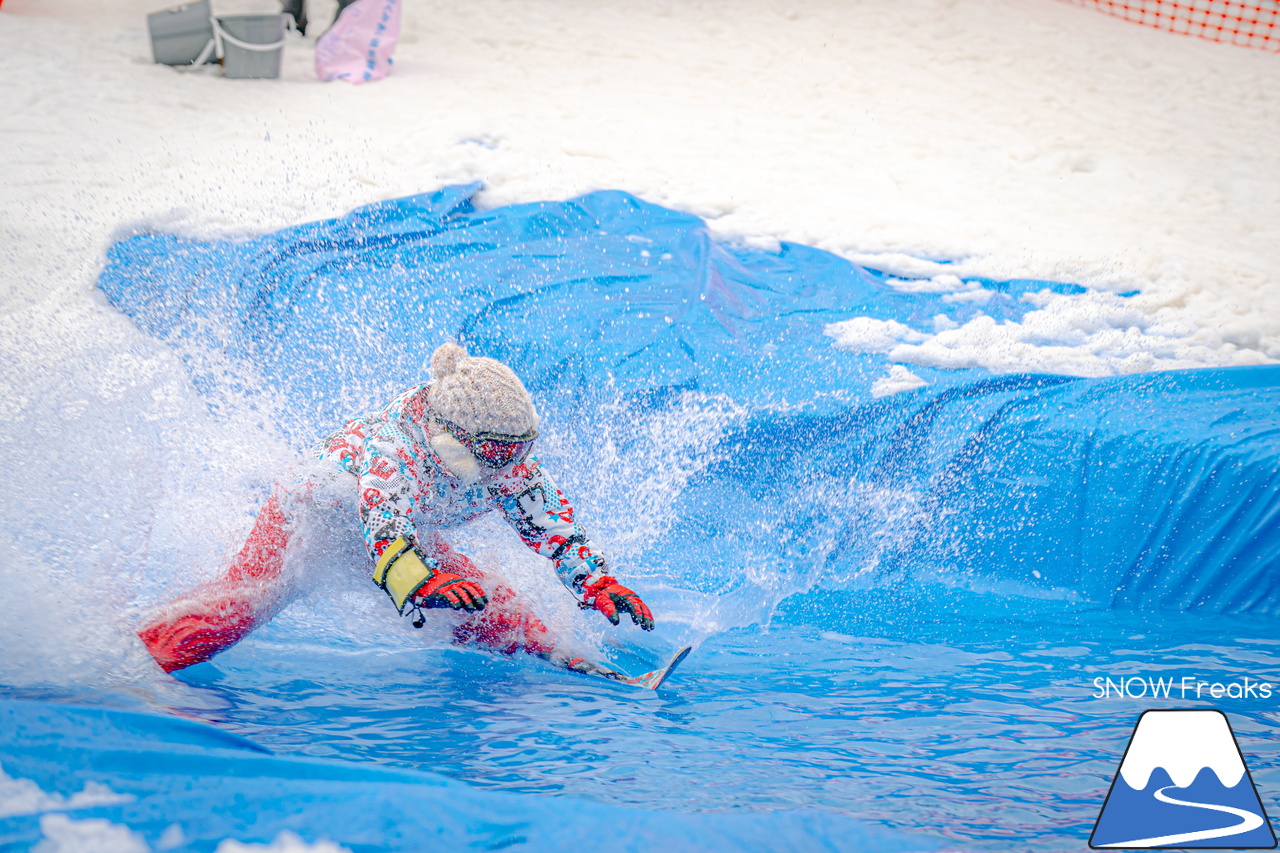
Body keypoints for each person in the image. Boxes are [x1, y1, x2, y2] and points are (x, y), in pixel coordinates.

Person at [138, 342, 654, 674]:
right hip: (313, 523)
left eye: (521, 450)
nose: (513, 466)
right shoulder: (394, 449)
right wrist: (421, 582)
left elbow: (552, 528)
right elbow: (386, 527)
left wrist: (596, 582)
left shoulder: (503, 456)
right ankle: (129, 660)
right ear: (452, 437)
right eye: (498, 453)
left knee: (493, 604)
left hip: (403, 535)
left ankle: (570, 662)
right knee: (242, 606)